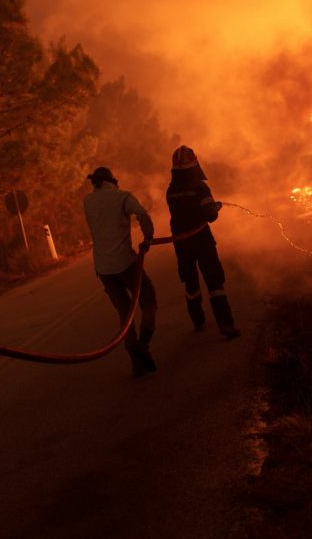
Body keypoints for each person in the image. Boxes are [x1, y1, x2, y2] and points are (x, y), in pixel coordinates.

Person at [83, 166, 159, 378]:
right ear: (112, 181)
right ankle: (142, 347)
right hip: (126, 263)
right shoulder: (122, 197)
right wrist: (148, 237)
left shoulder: (87, 201)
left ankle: (135, 362)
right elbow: (142, 215)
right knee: (148, 301)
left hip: (103, 269)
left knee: (124, 314)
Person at [166, 146, 241, 338]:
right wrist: (215, 207)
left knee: (190, 282)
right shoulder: (199, 186)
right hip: (201, 240)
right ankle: (226, 325)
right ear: (194, 163)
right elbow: (210, 216)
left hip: (181, 244)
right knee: (214, 281)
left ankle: (198, 321)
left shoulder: (171, 189)